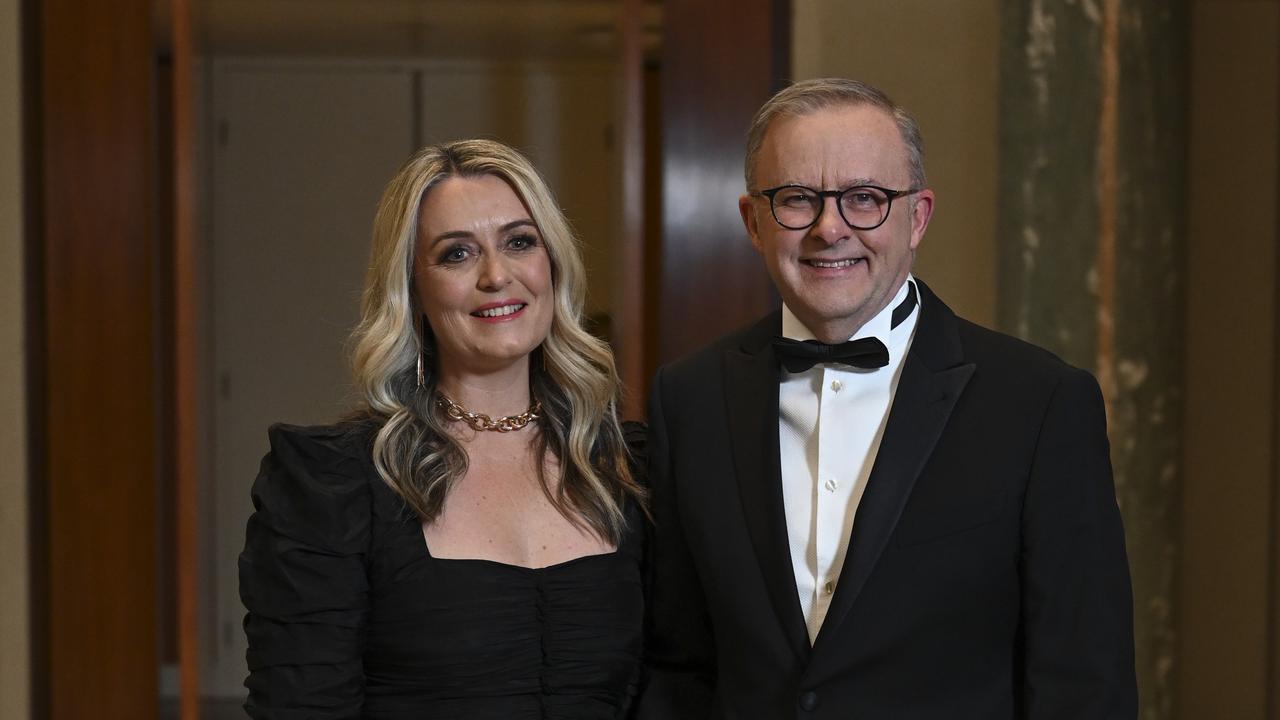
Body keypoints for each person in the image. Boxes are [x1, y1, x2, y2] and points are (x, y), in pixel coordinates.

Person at [638, 78, 1137, 719]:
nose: (829, 229)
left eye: (864, 199)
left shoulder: (1040, 403)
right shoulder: (689, 399)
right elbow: (680, 665)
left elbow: (1085, 683)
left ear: (918, 216)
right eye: (796, 199)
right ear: (752, 222)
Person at [239, 138, 648, 719]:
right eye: (456, 254)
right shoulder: (333, 484)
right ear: (413, 289)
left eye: (519, 242)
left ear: (552, 263)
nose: (496, 275)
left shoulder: (626, 469)